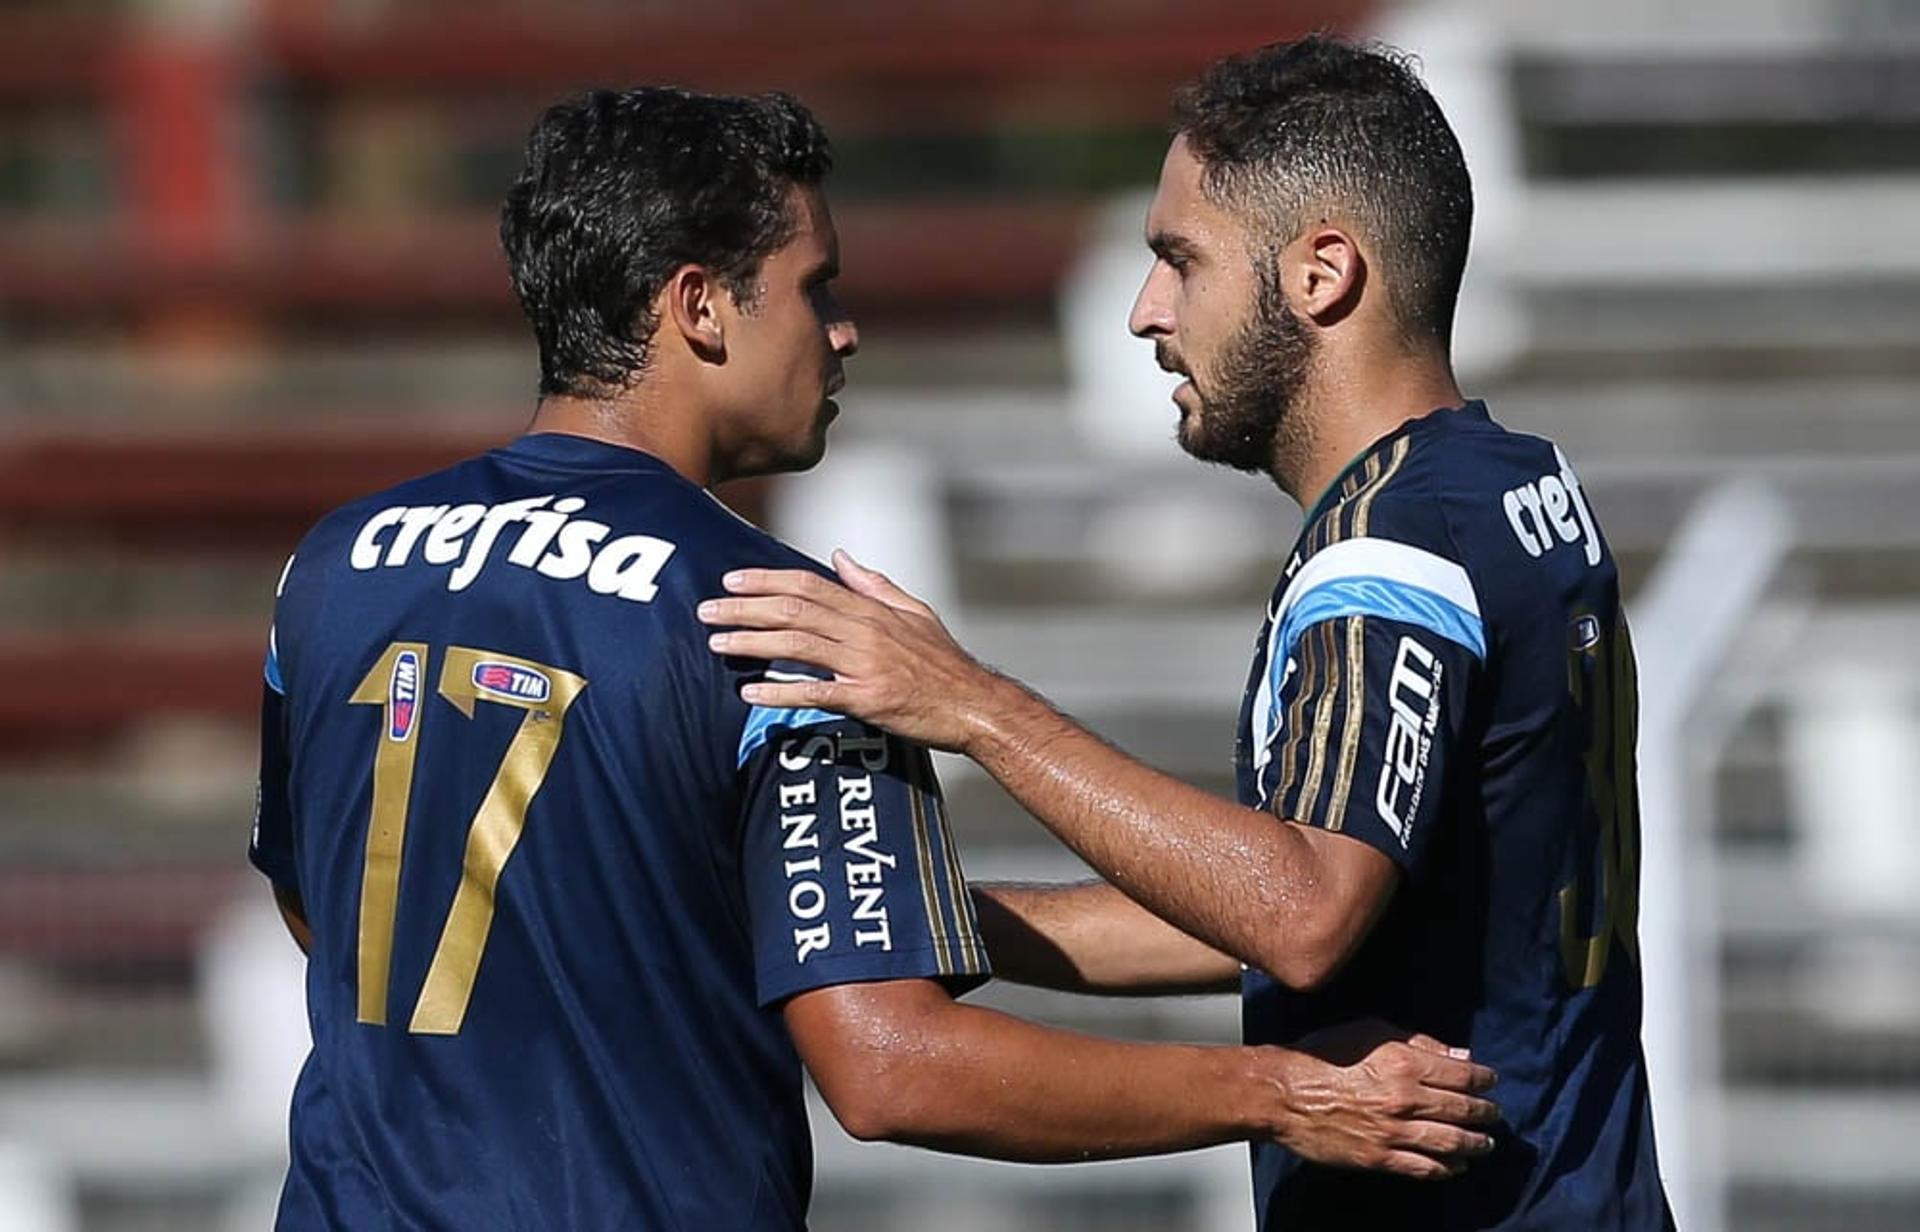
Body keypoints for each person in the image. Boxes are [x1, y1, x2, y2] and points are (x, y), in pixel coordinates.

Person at [248, 85, 1501, 1230]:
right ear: (697, 308)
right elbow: (893, 1068)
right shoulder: (781, 621)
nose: (844, 333)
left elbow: (327, 907)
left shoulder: (335, 562)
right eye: (815, 287)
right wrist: (1278, 1091)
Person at [700, 37, 1675, 1231]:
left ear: (1322, 274)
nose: (1145, 312)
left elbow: (1300, 912)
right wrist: (934, 909)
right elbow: (1312, 899)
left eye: (1179, 260)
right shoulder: (1515, 486)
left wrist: (969, 705)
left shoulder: (1386, 550)